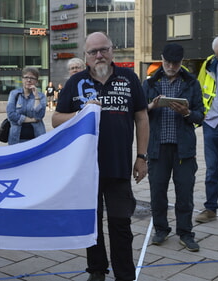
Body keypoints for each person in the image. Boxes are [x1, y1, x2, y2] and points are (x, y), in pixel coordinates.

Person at [52, 31, 149, 281]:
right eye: (93, 52)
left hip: (118, 167)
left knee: (120, 225)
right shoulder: (76, 82)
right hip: (85, 169)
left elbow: (141, 115)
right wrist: (81, 113)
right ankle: (96, 270)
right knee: (92, 224)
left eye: (103, 50)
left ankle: (125, 274)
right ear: (86, 57)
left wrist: (141, 156)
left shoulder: (128, 78)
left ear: (112, 50)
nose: (99, 56)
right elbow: (56, 120)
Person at [143, 43, 204, 252]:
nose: (170, 66)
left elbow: (200, 115)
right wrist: (151, 106)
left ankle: (185, 233)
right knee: (157, 191)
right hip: (157, 148)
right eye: (167, 62)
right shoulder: (151, 83)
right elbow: (139, 113)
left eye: (175, 63)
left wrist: (187, 113)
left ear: (181, 62)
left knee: (185, 192)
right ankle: (161, 229)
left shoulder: (192, 83)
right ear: (161, 58)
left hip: (183, 149)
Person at [195, 35, 218, 224]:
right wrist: (202, 113)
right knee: (211, 169)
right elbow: (200, 87)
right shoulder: (209, 63)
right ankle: (210, 209)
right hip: (212, 122)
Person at [5, 67, 46, 144]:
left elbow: (39, 116)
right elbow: (11, 115)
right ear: (22, 79)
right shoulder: (14, 94)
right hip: (16, 139)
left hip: (37, 138)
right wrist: (31, 120)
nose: (29, 80)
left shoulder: (41, 96)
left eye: (32, 78)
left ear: (36, 81)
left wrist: (36, 97)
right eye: (26, 77)